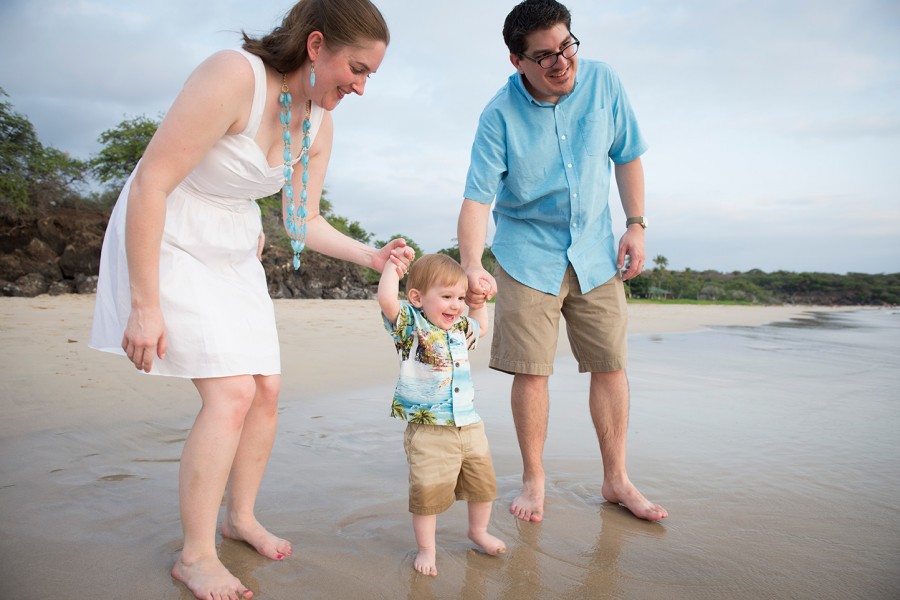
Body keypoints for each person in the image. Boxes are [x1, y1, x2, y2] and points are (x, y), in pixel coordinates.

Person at [89, 1, 414, 598]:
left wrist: (370, 255)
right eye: (358, 69)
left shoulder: (321, 122)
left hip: (233, 245)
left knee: (266, 386)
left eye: (372, 75)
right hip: (168, 232)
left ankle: (239, 518)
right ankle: (195, 555)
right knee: (232, 391)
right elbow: (152, 182)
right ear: (316, 46)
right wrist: (145, 304)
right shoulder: (233, 75)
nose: (363, 87)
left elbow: (302, 220)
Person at [457, 0, 668, 523]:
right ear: (517, 61)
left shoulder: (604, 82)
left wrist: (636, 224)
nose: (561, 62)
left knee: (610, 364)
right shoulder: (497, 115)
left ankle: (616, 479)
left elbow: (628, 154)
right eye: (545, 55)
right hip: (527, 255)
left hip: (597, 251)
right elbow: (477, 199)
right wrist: (470, 265)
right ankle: (534, 478)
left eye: (567, 46)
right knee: (531, 371)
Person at [378, 253, 506, 576]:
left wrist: (479, 297)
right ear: (418, 298)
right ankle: (427, 549)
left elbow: (483, 324)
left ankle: (478, 531)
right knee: (427, 491)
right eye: (447, 297)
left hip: (469, 424)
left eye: (459, 298)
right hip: (429, 428)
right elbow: (386, 300)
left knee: (483, 484)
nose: (456, 305)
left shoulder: (461, 328)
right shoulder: (412, 327)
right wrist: (392, 267)